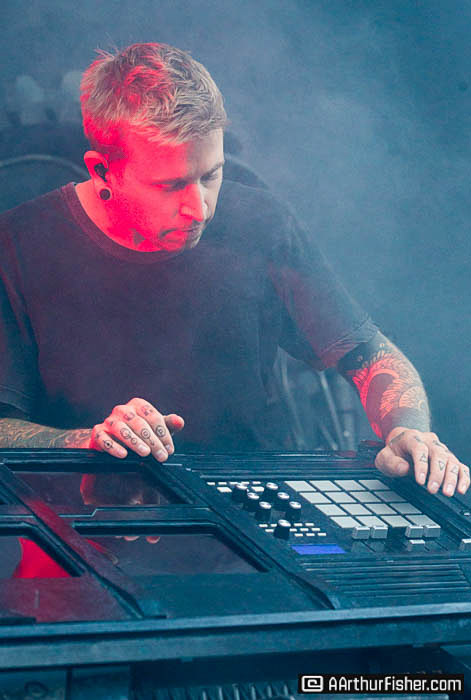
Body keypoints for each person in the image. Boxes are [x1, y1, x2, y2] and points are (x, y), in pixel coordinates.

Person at [0, 42, 468, 498]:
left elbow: (370, 356)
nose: (200, 209)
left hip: (255, 507)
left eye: (210, 175)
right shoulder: (20, 243)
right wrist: (90, 441)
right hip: (80, 524)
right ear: (103, 171)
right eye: (170, 185)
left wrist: (407, 430)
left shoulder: (262, 222)